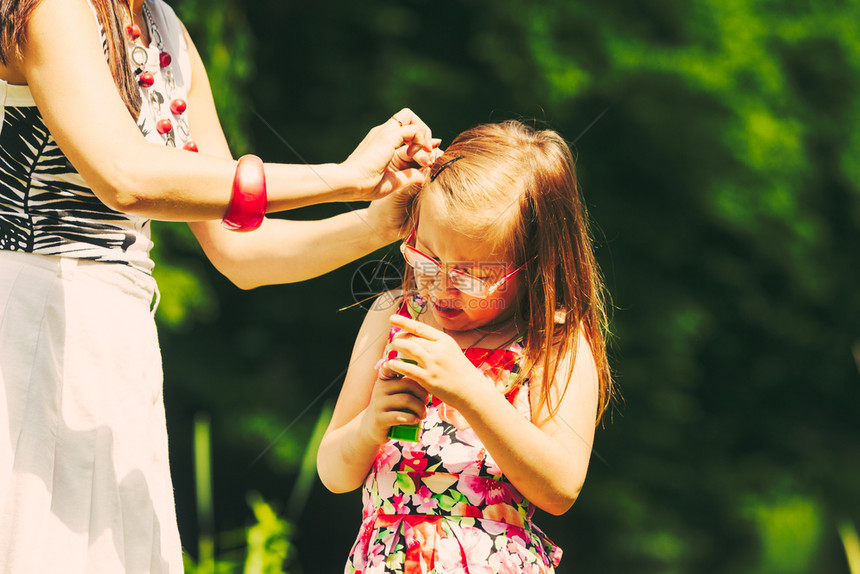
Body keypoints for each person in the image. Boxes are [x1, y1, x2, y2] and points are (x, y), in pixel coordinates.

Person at [0, 0, 435, 571]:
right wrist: (341, 179)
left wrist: (380, 220)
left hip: (117, 343)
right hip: (30, 329)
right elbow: (125, 178)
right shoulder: (55, 10)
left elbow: (239, 252)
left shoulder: (166, 32)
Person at [317, 120, 614, 573]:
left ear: (533, 263)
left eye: (471, 274)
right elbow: (333, 473)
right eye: (427, 257)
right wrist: (370, 424)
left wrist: (470, 392)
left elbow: (561, 487)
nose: (441, 288)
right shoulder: (394, 317)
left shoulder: (553, 344)